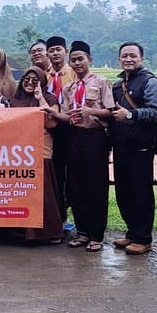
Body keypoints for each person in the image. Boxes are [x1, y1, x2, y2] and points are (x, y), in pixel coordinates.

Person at [55, 41, 114, 251]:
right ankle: (82, 232)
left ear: (90, 59)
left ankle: (97, 235)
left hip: (95, 138)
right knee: (76, 185)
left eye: (81, 58)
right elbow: (65, 114)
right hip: (74, 137)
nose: (77, 63)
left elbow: (111, 111)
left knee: (96, 187)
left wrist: (91, 112)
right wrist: (50, 112)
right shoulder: (69, 88)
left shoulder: (101, 82)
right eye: (74, 60)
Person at [109, 41, 157, 255]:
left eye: (133, 55)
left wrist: (130, 115)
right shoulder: (117, 85)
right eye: (124, 56)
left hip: (141, 148)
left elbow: (156, 112)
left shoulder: (150, 82)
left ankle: (144, 238)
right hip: (120, 146)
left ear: (141, 58)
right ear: (119, 59)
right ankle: (132, 232)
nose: (128, 59)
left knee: (141, 194)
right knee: (124, 193)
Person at [11, 67, 64, 244]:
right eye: (27, 78)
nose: (30, 82)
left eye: (35, 79)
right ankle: (25, 233)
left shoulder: (49, 99)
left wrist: (39, 98)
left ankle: (50, 232)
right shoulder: (15, 100)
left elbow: (51, 123)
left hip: (41, 150)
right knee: (23, 193)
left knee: (44, 193)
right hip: (20, 153)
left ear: (42, 82)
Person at [45, 36, 75, 230]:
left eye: (58, 49)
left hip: (70, 129)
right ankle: (59, 217)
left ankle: (74, 215)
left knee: (72, 174)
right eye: (52, 50)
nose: (55, 53)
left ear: (65, 51)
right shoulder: (43, 75)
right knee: (54, 174)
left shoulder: (74, 73)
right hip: (49, 130)